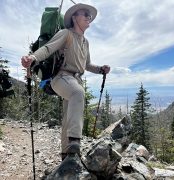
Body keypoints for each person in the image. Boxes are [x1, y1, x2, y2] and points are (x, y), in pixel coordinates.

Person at [21, 3, 110, 167]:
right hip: (60, 78)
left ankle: (66, 155)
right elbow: (48, 49)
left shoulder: (85, 42)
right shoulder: (66, 34)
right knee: (78, 93)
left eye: (89, 15)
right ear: (75, 17)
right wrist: (32, 58)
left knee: (68, 118)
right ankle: (75, 142)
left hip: (75, 79)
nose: (89, 17)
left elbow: (87, 65)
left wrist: (100, 69)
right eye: (85, 14)